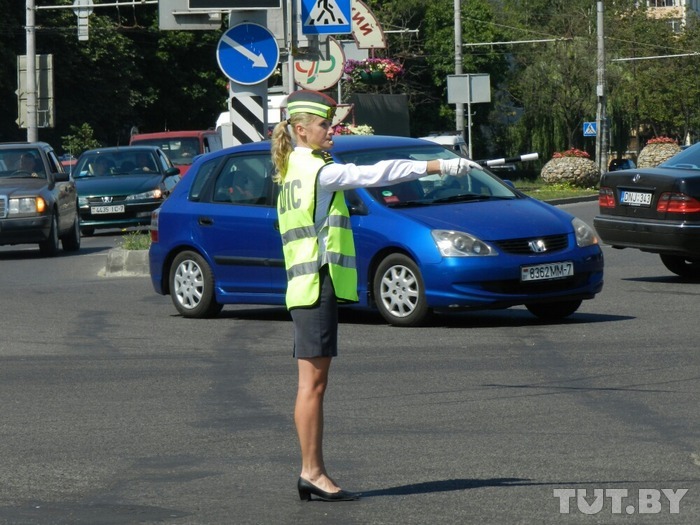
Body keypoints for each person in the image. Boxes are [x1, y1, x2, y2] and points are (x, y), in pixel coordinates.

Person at [270, 89, 477, 502]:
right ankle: (312, 471)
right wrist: (441, 164)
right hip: (315, 283)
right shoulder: (319, 172)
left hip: (303, 283)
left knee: (312, 383)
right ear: (301, 130)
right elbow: (379, 173)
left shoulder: (295, 164)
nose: (332, 130)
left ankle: (313, 470)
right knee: (312, 385)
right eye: (325, 124)